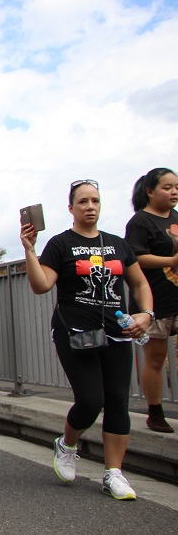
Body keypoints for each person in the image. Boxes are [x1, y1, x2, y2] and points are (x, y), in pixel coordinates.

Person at [22, 178, 152, 499]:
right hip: (75, 333)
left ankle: (114, 473)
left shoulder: (118, 244)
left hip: (117, 334)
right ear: (71, 208)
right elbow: (41, 285)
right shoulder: (61, 244)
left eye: (95, 201)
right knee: (91, 400)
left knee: (118, 401)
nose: (90, 207)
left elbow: (139, 284)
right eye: (83, 202)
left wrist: (146, 314)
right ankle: (67, 444)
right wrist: (30, 250)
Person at [125, 168, 178, 433]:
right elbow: (134, 258)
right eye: (167, 187)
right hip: (155, 301)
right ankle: (155, 413)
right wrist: (171, 260)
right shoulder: (140, 222)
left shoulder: (176, 218)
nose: (174, 192)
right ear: (150, 191)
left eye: (176, 187)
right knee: (155, 358)